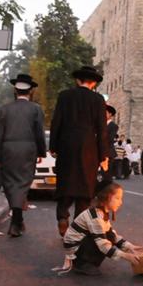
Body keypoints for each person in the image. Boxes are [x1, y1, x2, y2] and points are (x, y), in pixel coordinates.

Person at [49, 65, 110, 237]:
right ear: (94, 83)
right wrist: (103, 155)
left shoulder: (64, 96)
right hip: (89, 148)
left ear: (77, 80)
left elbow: (56, 123)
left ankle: (62, 216)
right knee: (85, 190)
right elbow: (102, 129)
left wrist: (53, 147)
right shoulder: (98, 100)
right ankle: (76, 228)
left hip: (66, 146)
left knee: (65, 185)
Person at [0, 74, 47, 237]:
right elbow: (39, 133)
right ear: (31, 91)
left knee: (10, 184)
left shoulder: (5, 109)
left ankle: (17, 219)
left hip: (8, 149)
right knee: (22, 184)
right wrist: (41, 151)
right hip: (27, 149)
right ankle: (16, 221)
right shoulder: (36, 109)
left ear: (15, 90)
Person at [58, 183, 143, 276]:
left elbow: (111, 234)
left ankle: (87, 262)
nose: (121, 202)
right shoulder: (95, 217)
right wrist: (127, 256)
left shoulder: (102, 212)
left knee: (109, 235)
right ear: (106, 198)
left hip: (79, 244)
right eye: (117, 198)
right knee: (103, 240)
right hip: (75, 250)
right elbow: (103, 245)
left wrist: (130, 247)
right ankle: (81, 264)